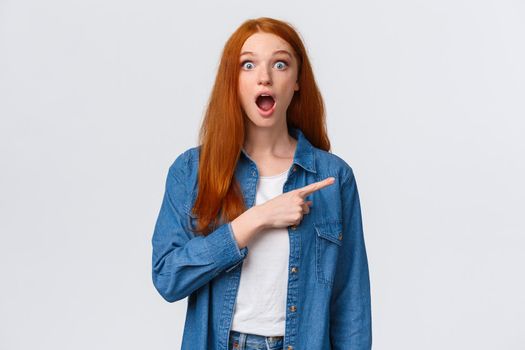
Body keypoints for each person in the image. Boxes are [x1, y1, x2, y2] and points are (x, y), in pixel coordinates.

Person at [151, 17, 372, 350]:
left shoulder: (333, 177)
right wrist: (257, 219)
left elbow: (350, 301)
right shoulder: (192, 171)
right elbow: (168, 277)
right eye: (248, 64)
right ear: (233, 80)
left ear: (297, 80)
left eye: (280, 64)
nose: (264, 77)